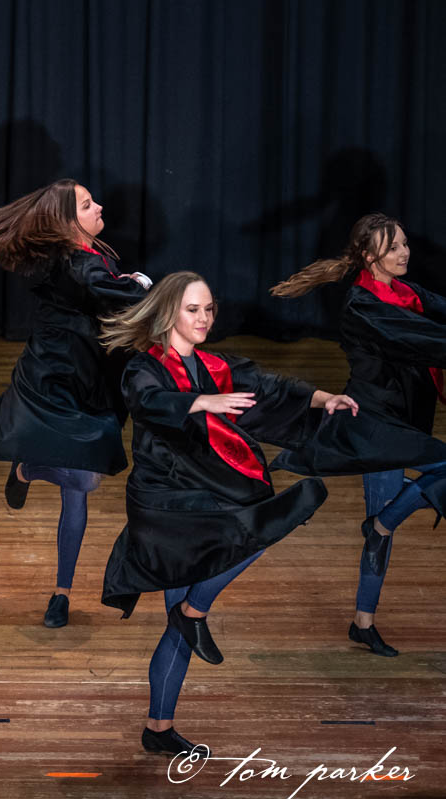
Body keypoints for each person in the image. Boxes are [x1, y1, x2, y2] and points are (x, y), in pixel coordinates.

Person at [99, 271, 356, 756]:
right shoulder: (144, 368)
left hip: (207, 494)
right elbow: (149, 402)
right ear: (168, 313)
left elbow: (270, 387)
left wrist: (326, 399)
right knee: (260, 525)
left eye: (209, 309)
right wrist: (200, 402)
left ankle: (158, 727)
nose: (204, 318)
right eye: (193, 310)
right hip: (167, 505)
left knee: (191, 608)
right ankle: (192, 613)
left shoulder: (213, 365)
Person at [0, 179, 151, 627]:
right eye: (87, 204)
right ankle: (26, 472)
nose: (100, 207)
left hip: (92, 381)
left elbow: (108, 293)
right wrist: (144, 285)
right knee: (85, 480)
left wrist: (126, 282)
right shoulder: (81, 264)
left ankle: (61, 591)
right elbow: (122, 295)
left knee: (79, 488)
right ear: (67, 222)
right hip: (56, 383)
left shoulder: (85, 256)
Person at [270, 214, 446, 657]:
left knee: (383, 525)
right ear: (369, 256)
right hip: (375, 425)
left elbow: (437, 311)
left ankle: (362, 618)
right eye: (393, 247)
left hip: (407, 421)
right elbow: (418, 338)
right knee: (389, 519)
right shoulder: (362, 306)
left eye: (404, 243)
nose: (404, 253)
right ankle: (366, 610)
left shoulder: (408, 293)